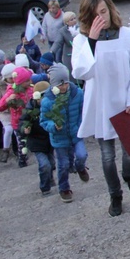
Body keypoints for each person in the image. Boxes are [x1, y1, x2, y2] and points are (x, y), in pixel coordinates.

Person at [72, 0, 130, 217]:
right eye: (95, 15)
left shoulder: (127, 36)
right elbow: (82, 71)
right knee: (106, 156)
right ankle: (115, 195)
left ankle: (128, 175)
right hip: (101, 104)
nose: (101, 18)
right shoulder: (81, 40)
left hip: (125, 103)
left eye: (103, 12)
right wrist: (92, 41)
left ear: (111, 9)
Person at [41, 63, 89, 203]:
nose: (63, 87)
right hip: (59, 138)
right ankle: (64, 188)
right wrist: (53, 126)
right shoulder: (47, 101)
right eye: (60, 85)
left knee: (82, 155)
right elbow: (44, 121)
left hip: (75, 133)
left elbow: (82, 112)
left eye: (65, 83)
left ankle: (80, 167)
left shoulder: (77, 94)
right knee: (63, 164)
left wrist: (80, 126)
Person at [20, 81, 56, 196]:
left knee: (51, 163)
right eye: (42, 96)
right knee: (44, 164)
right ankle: (45, 187)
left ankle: (49, 179)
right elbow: (22, 123)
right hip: (36, 142)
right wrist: (24, 129)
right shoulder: (30, 110)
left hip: (49, 140)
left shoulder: (52, 106)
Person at [0, 66, 33, 167]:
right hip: (18, 122)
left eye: (30, 79)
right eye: (27, 80)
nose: (30, 81)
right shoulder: (12, 92)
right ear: (20, 82)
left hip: (30, 120)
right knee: (22, 143)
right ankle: (22, 161)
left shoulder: (31, 89)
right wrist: (8, 100)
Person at [50, 11, 77, 77]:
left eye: (75, 18)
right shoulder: (62, 31)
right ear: (67, 22)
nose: (74, 20)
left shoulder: (80, 28)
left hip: (79, 55)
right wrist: (51, 51)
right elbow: (58, 42)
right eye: (71, 19)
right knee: (71, 76)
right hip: (69, 56)